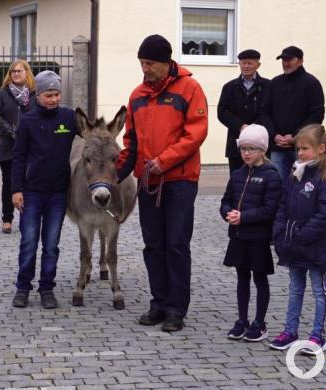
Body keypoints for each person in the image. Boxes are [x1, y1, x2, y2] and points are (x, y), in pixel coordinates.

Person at [117, 34, 208, 333]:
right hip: (148, 181)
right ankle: (158, 303)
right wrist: (113, 176)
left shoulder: (190, 89)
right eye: (142, 63)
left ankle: (176, 309)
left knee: (176, 244)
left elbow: (195, 134)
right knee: (153, 245)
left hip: (180, 181)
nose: (146, 69)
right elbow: (130, 142)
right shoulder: (137, 96)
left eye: (150, 63)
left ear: (167, 62)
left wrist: (164, 161)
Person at [269, 124, 326, 355]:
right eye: (298, 149)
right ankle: (291, 331)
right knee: (294, 288)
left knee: (319, 290)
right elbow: (283, 204)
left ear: (321, 148)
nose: (300, 153)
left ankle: (318, 335)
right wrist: (280, 231)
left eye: (305, 149)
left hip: (314, 245)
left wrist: (304, 233)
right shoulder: (294, 174)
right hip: (292, 243)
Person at [9, 71, 77, 309]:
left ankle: (47, 288)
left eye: (57, 94)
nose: (54, 99)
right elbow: (18, 157)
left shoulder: (69, 118)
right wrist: (16, 190)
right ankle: (23, 288)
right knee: (28, 241)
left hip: (58, 193)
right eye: (49, 95)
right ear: (38, 94)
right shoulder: (27, 120)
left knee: (51, 244)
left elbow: (91, 133)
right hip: (31, 192)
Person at [219, 124, 281, 342]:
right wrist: (228, 213)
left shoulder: (271, 175)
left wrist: (244, 217)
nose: (246, 153)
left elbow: (270, 209)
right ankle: (242, 319)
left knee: (260, 278)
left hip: (258, 237)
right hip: (238, 236)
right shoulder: (237, 174)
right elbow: (226, 200)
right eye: (243, 148)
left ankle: (260, 322)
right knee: (241, 278)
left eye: (251, 149)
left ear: (262, 150)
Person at [259, 46, 325, 180]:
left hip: (303, 146)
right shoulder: (275, 83)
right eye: (283, 59)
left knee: (303, 185)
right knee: (278, 185)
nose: (286, 63)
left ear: (300, 61)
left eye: (289, 59)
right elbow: (264, 112)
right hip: (278, 146)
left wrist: (296, 136)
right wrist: (274, 134)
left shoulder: (311, 83)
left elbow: (317, 115)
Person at [0, 59, 35, 234]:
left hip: (30, 146)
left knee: (29, 182)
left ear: (27, 73)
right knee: (8, 183)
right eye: (13, 72)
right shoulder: (3, 94)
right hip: (8, 145)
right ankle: (7, 219)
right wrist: (10, 131)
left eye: (19, 71)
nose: (16, 74)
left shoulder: (34, 94)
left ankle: (28, 217)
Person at [218, 49, 270, 175]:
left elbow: (269, 111)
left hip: (261, 143)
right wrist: (241, 126)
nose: (246, 66)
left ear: (258, 65)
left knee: (260, 180)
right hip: (236, 144)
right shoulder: (229, 87)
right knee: (237, 180)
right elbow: (222, 112)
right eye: (243, 63)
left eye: (250, 63)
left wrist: (253, 128)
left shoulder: (268, 86)